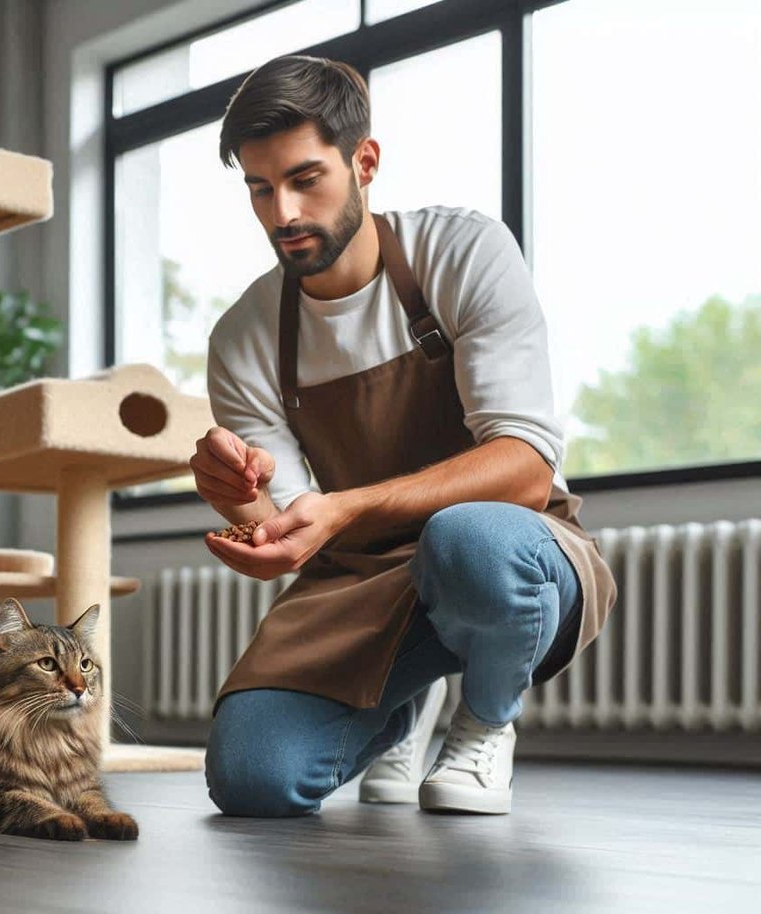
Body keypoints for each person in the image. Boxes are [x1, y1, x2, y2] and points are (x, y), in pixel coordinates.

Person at [192, 55, 616, 816]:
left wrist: (349, 507)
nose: (282, 211)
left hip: (503, 548)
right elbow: (296, 526)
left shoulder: (461, 253)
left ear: (365, 162)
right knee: (252, 778)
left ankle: (484, 722)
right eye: (260, 188)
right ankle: (402, 705)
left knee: (467, 542)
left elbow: (524, 466)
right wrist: (244, 504)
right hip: (356, 583)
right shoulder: (244, 337)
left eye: (305, 178)